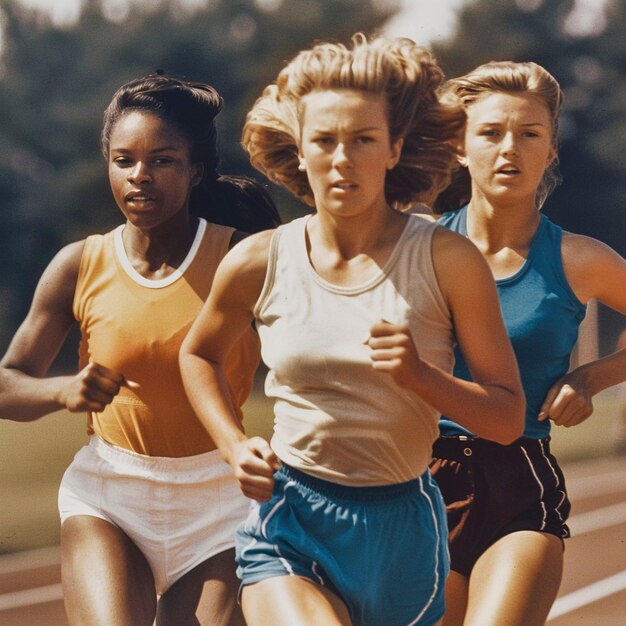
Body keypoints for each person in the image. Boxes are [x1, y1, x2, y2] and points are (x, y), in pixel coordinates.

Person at [179, 34, 525, 626]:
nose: (343, 159)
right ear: (301, 148)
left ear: (393, 149)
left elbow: (506, 416)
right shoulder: (260, 260)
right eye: (326, 140)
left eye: (363, 140)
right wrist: (234, 446)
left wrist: (420, 376)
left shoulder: (449, 260)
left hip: (402, 529)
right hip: (292, 520)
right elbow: (198, 355)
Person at [0, 73, 280, 626]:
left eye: (163, 160)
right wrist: (62, 389)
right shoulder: (79, 264)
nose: (140, 176)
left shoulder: (243, 259)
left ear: (195, 168)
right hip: (110, 497)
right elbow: (7, 382)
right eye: (124, 160)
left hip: (220, 503)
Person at [429, 60, 626, 626]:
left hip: (519, 480)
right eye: (490, 132)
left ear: (552, 150)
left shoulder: (578, 259)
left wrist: (590, 378)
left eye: (529, 133)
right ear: (461, 147)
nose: (508, 148)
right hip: (415, 486)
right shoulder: (419, 247)